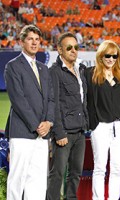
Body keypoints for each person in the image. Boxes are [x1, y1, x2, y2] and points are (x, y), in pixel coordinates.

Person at [4, 24, 55, 200]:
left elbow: (51, 99)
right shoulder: (13, 66)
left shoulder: (44, 68)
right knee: (17, 180)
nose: (34, 43)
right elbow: (18, 100)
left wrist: (48, 122)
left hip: (42, 134)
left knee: (39, 181)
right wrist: (36, 125)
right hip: (22, 133)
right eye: (30, 39)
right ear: (21, 42)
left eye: (37, 39)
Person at [84, 40, 120, 200]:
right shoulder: (91, 75)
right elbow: (88, 102)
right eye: (108, 55)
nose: (111, 59)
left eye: (114, 56)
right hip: (101, 127)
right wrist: (93, 124)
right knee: (99, 167)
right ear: (101, 55)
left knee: (117, 168)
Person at [47, 32, 89, 200]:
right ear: (59, 50)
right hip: (64, 133)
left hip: (80, 131)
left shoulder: (81, 70)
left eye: (76, 47)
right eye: (69, 47)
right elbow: (53, 103)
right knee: (57, 174)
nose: (73, 50)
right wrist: (59, 132)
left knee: (75, 173)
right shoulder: (54, 72)